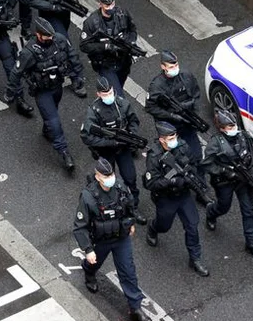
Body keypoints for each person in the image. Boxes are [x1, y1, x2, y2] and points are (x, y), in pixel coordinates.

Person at [73, 158, 152, 321]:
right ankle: (88, 271)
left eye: (111, 174)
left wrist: (130, 224)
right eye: (106, 175)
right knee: (95, 262)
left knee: (128, 271)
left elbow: (130, 208)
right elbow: (80, 226)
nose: (110, 177)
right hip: (101, 240)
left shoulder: (120, 188)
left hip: (121, 238)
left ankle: (135, 307)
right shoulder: (88, 196)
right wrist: (88, 249)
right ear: (97, 176)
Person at [5, 17, 87, 171]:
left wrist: (77, 77)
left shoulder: (59, 40)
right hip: (42, 91)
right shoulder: (29, 52)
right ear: (38, 35)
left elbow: (72, 57)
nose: (51, 38)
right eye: (47, 36)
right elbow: (16, 72)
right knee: (54, 120)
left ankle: (47, 130)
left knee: (52, 114)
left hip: (57, 86)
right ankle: (64, 151)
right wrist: (11, 92)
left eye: (51, 35)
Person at [144, 121, 209, 277]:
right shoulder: (155, 156)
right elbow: (150, 183)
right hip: (166, 197)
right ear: (162, 139)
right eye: (170, 137)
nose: (174, 139)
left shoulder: (182, 146)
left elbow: (193, 162)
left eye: (175, 136)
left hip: (184, 195)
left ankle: (195, 258)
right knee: (164, 226)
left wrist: (189, 176)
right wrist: (172, 180)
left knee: (192, 225)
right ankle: (153, 228)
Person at [80, 76, 147, 225]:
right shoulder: (94, 111)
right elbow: (86, 136)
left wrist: (131, 137)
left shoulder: (122, 104)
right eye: (104, 94)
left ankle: (133, 207)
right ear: (98, 94)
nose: (108, 95)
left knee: (130, 178)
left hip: (122, 148)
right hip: (106, 151)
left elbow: (133, 121)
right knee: (106, 181)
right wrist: (108, 142)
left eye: (109, 92)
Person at [202, 110, 253, 260]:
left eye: (234, 125)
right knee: (224, 206)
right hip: (225, 182)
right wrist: (223, 171)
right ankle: (211, 213)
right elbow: (206, 165)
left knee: (248, 211)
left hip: (243, 180)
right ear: (222, 128)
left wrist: (251, 173)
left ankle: (252, 243)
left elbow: (252, 154)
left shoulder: (244, 137)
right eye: (229, 126)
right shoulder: (215, 143)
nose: (233, 128)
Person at [145, 50, 206, 191]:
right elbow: (150, 107)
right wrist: (171, 115)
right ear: (163, 66)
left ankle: (200, 186)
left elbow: (196, 95)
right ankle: (180, 185)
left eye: (176, 65)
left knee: (197, 157)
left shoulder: (186, 76)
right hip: (170, 129)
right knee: (175, 161)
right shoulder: (157, 86)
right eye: (170, 66)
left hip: (188, 124)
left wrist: (195, 115)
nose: (174, 69)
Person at [80, 0, 139, 97]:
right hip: (106, 64)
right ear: (100, 4)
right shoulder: (92, 22)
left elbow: (132, 30)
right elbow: (84, 45)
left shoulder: (122, 13)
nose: (111, 7)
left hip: (124, 61)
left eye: (112, 4)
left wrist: (130, 42)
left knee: (118, 88)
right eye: (107, 5)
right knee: (119, 97)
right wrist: (105, 46)